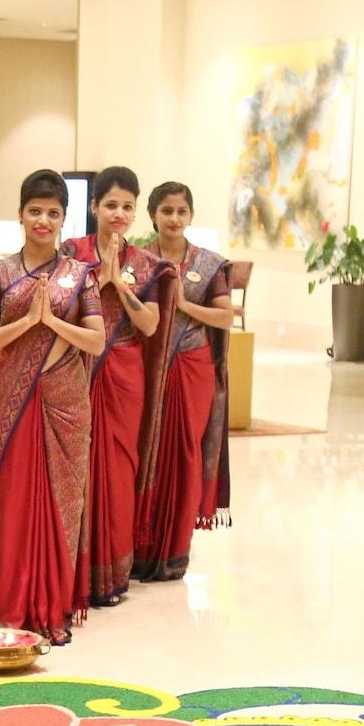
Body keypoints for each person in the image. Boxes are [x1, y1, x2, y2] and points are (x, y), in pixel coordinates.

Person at [0, 168, 107, 646]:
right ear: (21, 216)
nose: (43, 220)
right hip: (16, 401)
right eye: (35, 211)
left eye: (53, 213)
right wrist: (29, 322)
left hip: (66, 402)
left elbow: (96, 340)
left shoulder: (79, 275)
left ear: (64, 219)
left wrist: (52, 321)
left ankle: (53, 608)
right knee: (18, 503)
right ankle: (13, 610)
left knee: (62, 504)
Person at [60, 167, 176, 608]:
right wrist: (96, 278)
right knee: (78, 467)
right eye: (111, 204)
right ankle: (72, 573)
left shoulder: (144, 263)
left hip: (125, 372)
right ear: (93, 207)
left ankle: (111, 575)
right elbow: (59, 302)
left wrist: (118, 287)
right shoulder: (72, 252)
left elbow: (149, 324)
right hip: (79, 368)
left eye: (127, 206)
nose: (119, 213)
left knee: (118, 471)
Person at [132, 182, 232, 582]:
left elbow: (225, 317)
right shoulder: (137, 261)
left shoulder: (208, 265)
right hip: (145, 366)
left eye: (181, 211)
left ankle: (175, 550)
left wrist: (185, 305)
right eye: (166, 211)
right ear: (153, 215)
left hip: (192, 366)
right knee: (145, 449)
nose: (174, 219)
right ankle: (138, 548)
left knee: (184, 451)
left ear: (190, 216)